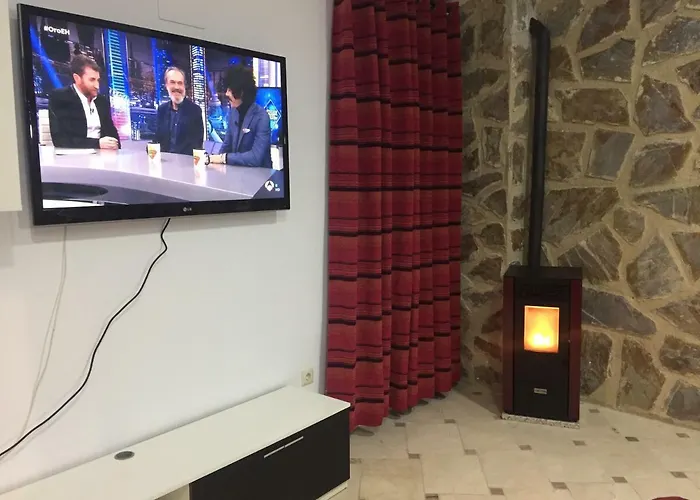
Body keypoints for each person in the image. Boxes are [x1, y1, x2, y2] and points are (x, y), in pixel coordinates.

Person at [48, 54, 120, 150]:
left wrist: (115, 145)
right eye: (92, 80)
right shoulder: (60, 98)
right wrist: (97, 144)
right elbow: (61, 141)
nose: (97, 86)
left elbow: (113, 134)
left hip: (104, 155)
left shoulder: (101, 101)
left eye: (98, 80)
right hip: (75, 156)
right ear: (77, 78)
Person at [208, 64, 272, 168]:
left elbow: (255, 158)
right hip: (236, 173)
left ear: (241, 93)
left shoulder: (261, 117)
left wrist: (224, 158)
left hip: (261, 175)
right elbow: (226, 146)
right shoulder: (233, 112)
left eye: (230, 90)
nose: (226, 93)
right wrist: (214, 161)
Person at [153, 67, 204, 155]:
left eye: (180, 83)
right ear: (166, 85)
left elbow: (197, 144)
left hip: (186, 161)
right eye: (172, 82)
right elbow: (157, 139)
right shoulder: (162, 110)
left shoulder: (195, 111)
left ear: (184, 86)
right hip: (164, 161)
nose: (176, 87)